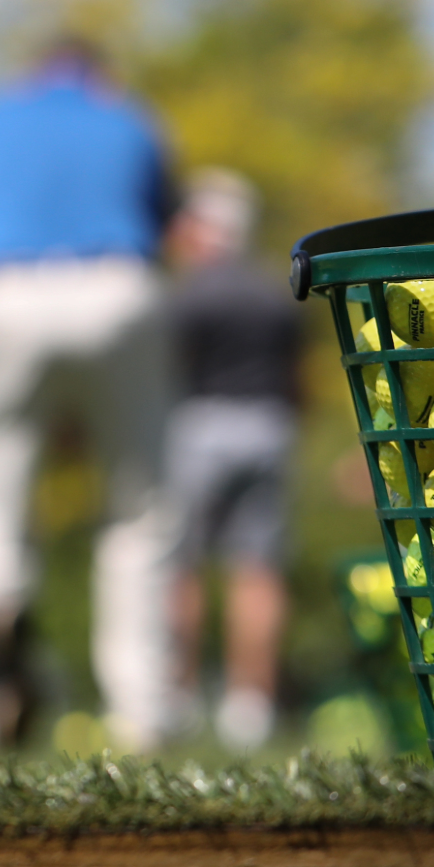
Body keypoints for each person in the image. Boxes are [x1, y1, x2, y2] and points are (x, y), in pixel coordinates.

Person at [0, 34, 179, 752]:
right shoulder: (131, 115)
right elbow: (163, 219)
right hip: (118, 287)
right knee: (140, 509)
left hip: (5, 292)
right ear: (95, 73)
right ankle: (143, 712)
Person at [163, 171, 302, 750]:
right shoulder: (276, 292)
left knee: (183, 567)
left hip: (199, 428)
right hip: (270, 426)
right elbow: (301, 378)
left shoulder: (186, 294)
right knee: (258, 570)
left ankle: (181, 694)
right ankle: (251, 705)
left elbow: (164, 375)